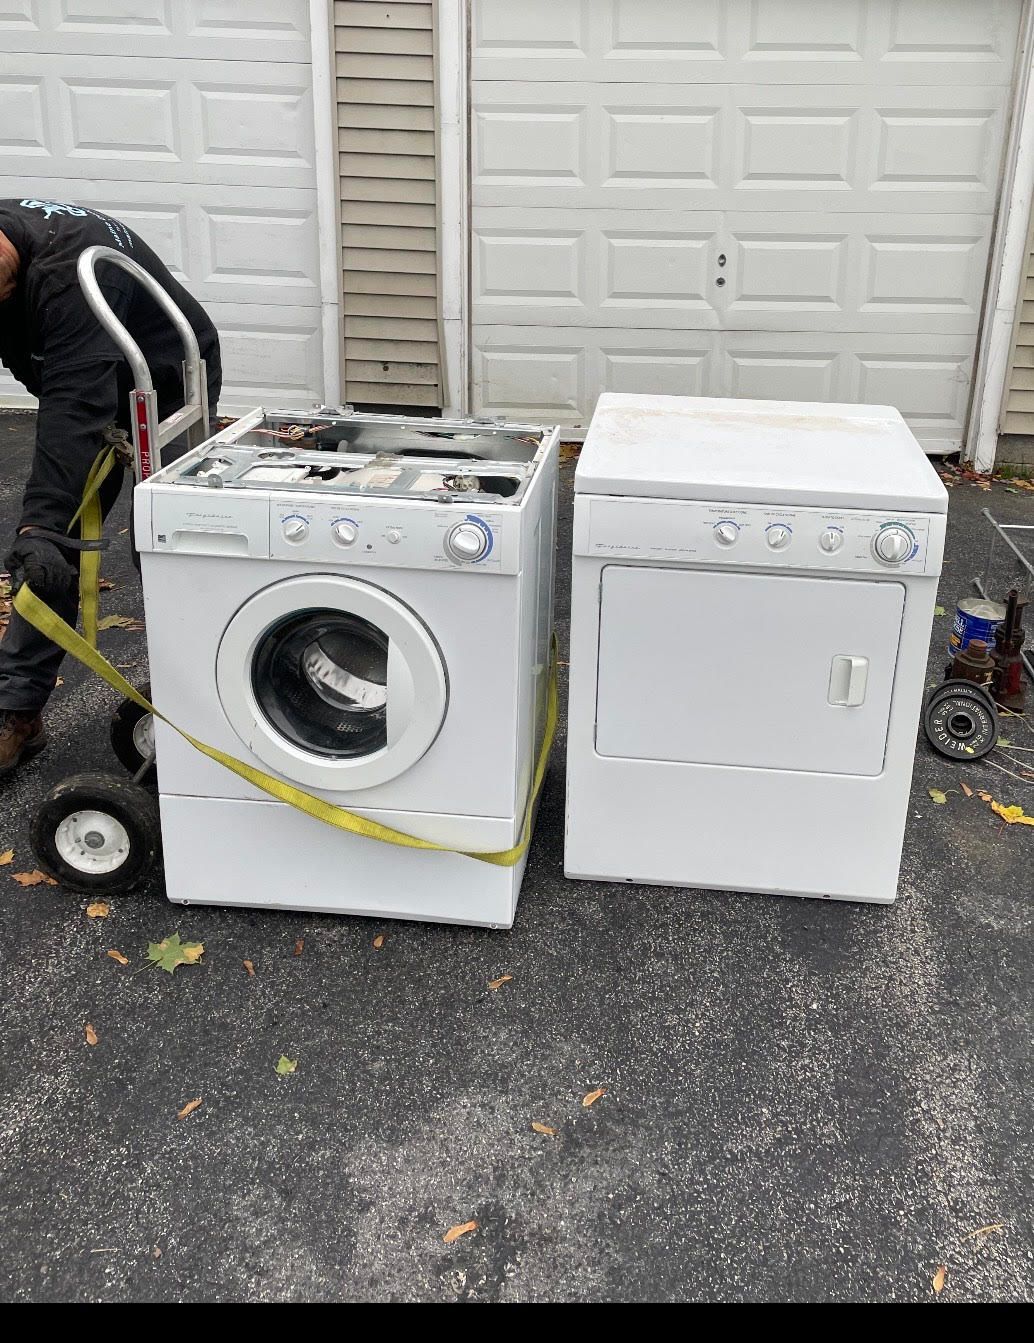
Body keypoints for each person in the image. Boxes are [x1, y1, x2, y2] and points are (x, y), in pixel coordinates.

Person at [0, 198, 220, 775]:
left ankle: (207, 699)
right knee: (53, 554)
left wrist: (40, 523)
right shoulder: (10, 243)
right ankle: (16, 711)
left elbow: (74, 404)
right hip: (77, 371)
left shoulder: (68, 276)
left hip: (168, 381)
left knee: (168, 539)